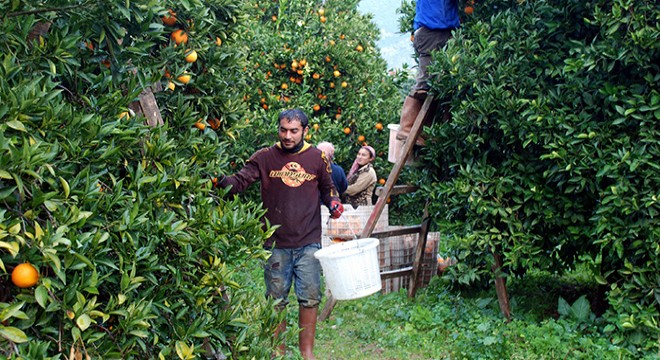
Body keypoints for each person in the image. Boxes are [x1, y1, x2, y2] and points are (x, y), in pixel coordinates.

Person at [213, 109, 343, 360]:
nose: (287, 135)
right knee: (276, 300)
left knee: (310, 297)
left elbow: (329, 189)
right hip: (275, 243)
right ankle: (277, 353)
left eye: (294, 131)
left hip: (308, 241)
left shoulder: (317, 157)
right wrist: (217, 181)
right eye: (283, 130)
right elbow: (239, 182)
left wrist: (334, 203)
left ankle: (307, 353)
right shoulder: (265, 157)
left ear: (305, 131)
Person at [396, 0, 460, 146]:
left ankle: (423, 131)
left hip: (444, 33)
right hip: (430, 33)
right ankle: (406, 128)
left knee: (437, 88)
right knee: (424, 85)